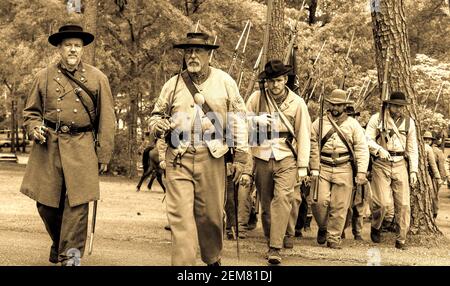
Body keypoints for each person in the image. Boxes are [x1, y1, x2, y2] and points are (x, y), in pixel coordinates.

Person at [149, 32, 249, 266]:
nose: (192, 56)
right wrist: (158, 125)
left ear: (209, 55)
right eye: (188, 52)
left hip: (212, 157)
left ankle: (212, 258)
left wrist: (241, 158)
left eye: (198, 52)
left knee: (210, 218)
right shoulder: (172, 84)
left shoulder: (225, 82)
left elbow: (239, 120)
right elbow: (155, 117)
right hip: (178, 157)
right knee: (180, 219)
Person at [20, 24, 116, 265]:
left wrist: (103, 154)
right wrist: (34, 128)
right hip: (49, 146)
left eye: (77, 46)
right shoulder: (44, 76)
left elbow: (107, 119)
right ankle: (60, 242)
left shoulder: (97, 78)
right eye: (68, 45)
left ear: (82, 49)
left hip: (83, 145)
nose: (73, 49)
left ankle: (69, 257)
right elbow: (30, 113)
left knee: (77, 207)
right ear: (59, 49)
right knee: (45, 205)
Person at [246, 59, 311, 264]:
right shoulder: (256, 98)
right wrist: (255, 120)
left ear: (286, 80)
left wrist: (302, 166)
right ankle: (271, 238)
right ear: (266, 82)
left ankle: (275, 248)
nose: (275, 85)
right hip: (262, 156)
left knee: (283, 199)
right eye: (272, 81)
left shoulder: (297, 102)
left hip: (286, 157)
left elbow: (304, 135)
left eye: (280, 80)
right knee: (265, 205)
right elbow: (237, 122)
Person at [310, 89, 369, 249]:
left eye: (339, 105)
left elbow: (362, 148)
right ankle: (323, 227)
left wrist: (362, 171)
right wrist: (313, 165)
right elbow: (311, 142)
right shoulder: (319, 123)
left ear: (345, 106)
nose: (336, 107)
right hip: (323, 166)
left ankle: (333, 237)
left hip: (344, 167)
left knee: (340, 205)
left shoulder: (353, 124)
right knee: (318, 202)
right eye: (333, 104)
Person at [365, 91, 418, 250]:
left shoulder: (409, 123)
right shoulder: (377, 119)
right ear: (388, 105)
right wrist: (378, 149)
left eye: (402, 106)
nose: (399, 109)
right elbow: (367, 139)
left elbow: (413, 148)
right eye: (396, 105)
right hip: (381, 163)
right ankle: (376, 225)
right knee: (381, 203)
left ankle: (401, 239)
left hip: (400, 163)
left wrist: (413, 171)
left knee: (403, 204)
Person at [342, 105, 369, 241]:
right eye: (349, 115)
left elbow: (366, 152)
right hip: (345, 169)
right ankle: (340, 230)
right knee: (343, 203)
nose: (351, 118)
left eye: (353, 115)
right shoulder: (338, 131)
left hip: (360, 172)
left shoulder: (363, 133)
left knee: (359, 205)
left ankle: (357, 232)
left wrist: (365, 172)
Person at [423, 131, 443, 219]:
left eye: (429, 139)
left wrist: (440, 177)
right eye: (425, 139)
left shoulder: (437, 151)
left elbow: (440, 165)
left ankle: (434, 213)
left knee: (433, 194)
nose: (427, 141)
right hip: (425, 174)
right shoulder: (420, 148)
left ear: (432, 141)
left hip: (434, 176)